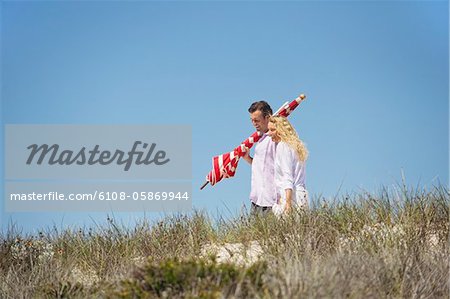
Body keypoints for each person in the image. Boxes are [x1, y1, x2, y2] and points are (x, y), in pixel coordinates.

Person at [267, 116, 309, 217]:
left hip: (291, 197)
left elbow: (288, 176)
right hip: (302, 195)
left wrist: (288, 203)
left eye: (272, 130)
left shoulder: (283, 146)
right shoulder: (296, 146)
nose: (269, 133)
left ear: (281, 130)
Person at [243, 101, 277, 214]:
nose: (254, 123)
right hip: (256, 199)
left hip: (272, 200)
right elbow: (263, 166)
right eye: (252, 120)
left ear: (267, 118)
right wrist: (248, 158)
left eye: (256, 120)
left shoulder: (276, 139)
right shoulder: (260, 140)